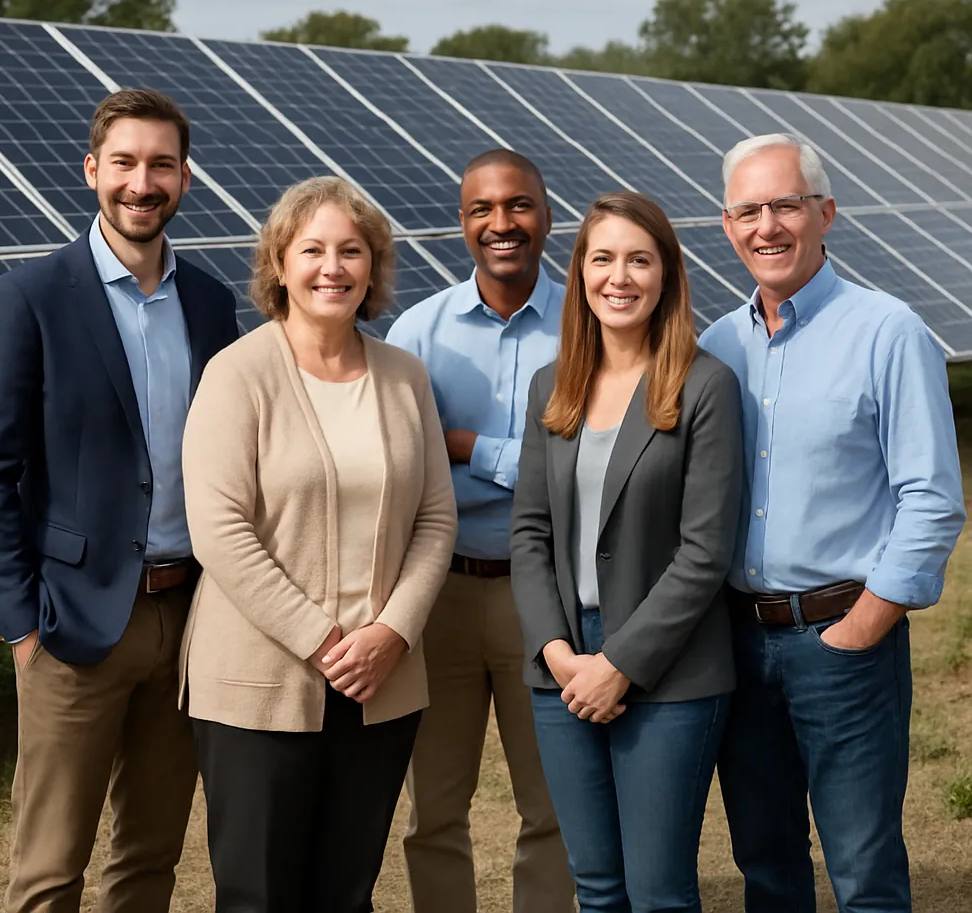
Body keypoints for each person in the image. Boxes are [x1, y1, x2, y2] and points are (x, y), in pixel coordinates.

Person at [0, 88, 239, 913]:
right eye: (124, 163)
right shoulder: (32, 296)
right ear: (92, 171)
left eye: (161, 164)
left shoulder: (211, 304)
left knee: (148, 859)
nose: (141, 182)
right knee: (48, 871)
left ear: (184, 177)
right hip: (71, 624)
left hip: (189, 617)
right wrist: (20, 626)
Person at [700, 133, 966, 913]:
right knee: (767, 865)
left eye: (785, 205)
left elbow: (932, 498)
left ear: (826, 213)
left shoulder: (887, 332)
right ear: (726, 225)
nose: (767, 227)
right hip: (738, 647)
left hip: (844, 641)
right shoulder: (716, 347)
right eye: (748, 211)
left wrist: (863, 626)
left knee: (864, 869)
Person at [179, 175, 457, 913]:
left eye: (351, 251)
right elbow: (219, 528)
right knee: (258, 895)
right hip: (258, 687)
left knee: (347, 891)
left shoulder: (405, 377)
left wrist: (392, 632)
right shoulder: (237, 374)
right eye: (312, 250)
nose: (332, 267)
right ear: (278, 264)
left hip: (381, 684)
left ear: (373, 266)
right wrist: (327, 639)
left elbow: (435, 518)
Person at [509, 190, 743, 913]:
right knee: (597, 886)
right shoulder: (554, 388)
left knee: (658, 891)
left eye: (640, 260)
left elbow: (705, 551)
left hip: (667, 672)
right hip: (564, 666)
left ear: (667, 275)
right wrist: (558, 651)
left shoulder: (706, 386)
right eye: (603, 258)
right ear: (579, 274)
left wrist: (619, 664)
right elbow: (529, 533)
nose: (621, 277)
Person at [387, 148, 574, 913]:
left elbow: (588, 461)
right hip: (442, 593)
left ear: (546, 214)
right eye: (482, 210)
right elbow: (399, 461)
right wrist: (528, 452)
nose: (502, 224)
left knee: (555, 805)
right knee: (434, 808)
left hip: (553, 596)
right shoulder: (416, 334)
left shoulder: (592, 320)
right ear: (463, 223)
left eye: (518, 206)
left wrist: (465, 446)